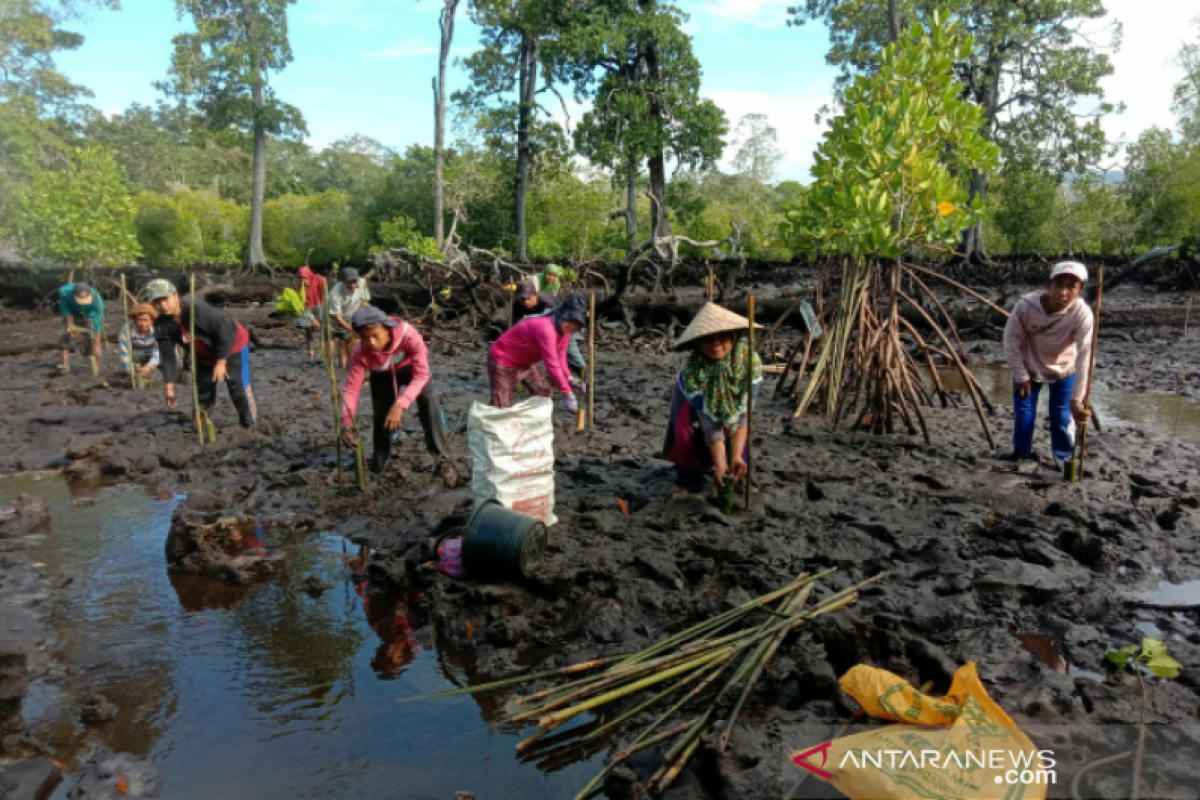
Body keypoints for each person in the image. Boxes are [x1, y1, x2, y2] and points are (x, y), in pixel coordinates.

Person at [662, 303, 762, 497]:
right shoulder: (694, 372)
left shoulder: (749, 363)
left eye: (722, 337)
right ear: (698, 343)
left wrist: (735, 457)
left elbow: (743, 415)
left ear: (733, 336)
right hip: (690, 407)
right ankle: (694, 472)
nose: (715, 344)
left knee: (738, 458)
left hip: (734, 415)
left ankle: (733, 464)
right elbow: (710, 425)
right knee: (689, 445)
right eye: (707, 339)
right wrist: (720, 464)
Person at [1003, 261, 1095, 468]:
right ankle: (1020, 454)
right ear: (1049, 285)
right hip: (1028, 368)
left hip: (1064, 370)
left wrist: (1077, 400)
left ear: (1080, 291)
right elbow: (1011, 340)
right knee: (1024, 415)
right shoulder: (1026, 306)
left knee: (1061, 416)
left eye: (1071, 287)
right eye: (1058, 284)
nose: (1062, 293)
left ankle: (1063, 458)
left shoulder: (1082, 313)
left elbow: (1085, 354)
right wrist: (1020, 376)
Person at [341, 306, 447, 473]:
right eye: (365, 338)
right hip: (382, 374)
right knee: (381, 414)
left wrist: (400, 405)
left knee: (428, 401)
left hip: (411, 369)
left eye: (376, 336)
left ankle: (441, 456)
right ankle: (379, 462)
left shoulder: (409, 335)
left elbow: (421, 375)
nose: (372, 343)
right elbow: (352, 390)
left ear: (387, 329)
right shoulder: (360, 351)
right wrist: (346, 422)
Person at [144, 278, 257, 428]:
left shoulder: (195, 308)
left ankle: (248, 424)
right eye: (157, 302)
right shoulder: (162, 325)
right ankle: (200, 425)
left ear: (175, 295)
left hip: (231, 343)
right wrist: (169, 388)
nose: (162, 305)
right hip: (202, 352)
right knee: (203, 390)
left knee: (235, 386)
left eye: (165, 299)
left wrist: (221, 362)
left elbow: (224, 332)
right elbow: (168, 357)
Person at [488, 292, 587, 411]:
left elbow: (560, 355)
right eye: (570, 323)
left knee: (543, 393)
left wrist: (570, 378)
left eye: (576, 326)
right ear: (562, 317)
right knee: (500, 404)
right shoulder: (546, 329)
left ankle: (531, 423)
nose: (571, 327)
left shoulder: (566, 332)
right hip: (503, 360)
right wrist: (568, 393)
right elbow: (552, 364)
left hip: (525, 363)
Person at [511, 278, 587, 376]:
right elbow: (517, 325)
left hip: (564, 326)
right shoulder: (517, 305)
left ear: (535, 295)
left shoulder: (546, 302)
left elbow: (555, 322)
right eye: (522, 299)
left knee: (571, 353)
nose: (525, 302)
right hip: (541, 331)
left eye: (528, 298)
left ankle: (582, 376)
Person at [327, 267, 371, 369]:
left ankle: (343, 368)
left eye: (354, 282)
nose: (352, 285)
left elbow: (364, 302)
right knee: (331, 344)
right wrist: (352, 331)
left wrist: (373, 317)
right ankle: (330, 368)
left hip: (347, 316)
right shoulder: (335, 293)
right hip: (331, 318)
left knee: (344, 343)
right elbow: (338, 318)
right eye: (349, 282)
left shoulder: (362, 283)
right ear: (343, 281)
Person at [57, 282, 105, 374]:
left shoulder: (97, 299)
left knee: (92, 341)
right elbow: (66, 309)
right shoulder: (64, 292)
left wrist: (97, 344)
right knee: (64, 337)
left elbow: (98, 323)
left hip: (89, 315)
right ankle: (65, 365)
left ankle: (96, 369)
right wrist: (70, 326)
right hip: (72, 313)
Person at [117, 302, 161, 380]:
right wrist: (130, 370)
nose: (142, 324)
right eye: (139, 320)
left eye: (145, 320)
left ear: (151, 321)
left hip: (153, 354)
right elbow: (124, 353)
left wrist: (149, 367)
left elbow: (159, 351)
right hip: (136, 355)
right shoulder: (126, 330)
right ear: (135, 320)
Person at [297, 265, 326, 362]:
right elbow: (301, 303)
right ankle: (310, 351)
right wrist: (311, 318)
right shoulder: (301, 286)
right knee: (308, 330)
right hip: (307, 307)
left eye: (305, 277)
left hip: (318, 304)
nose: (304, 280)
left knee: (321, 327)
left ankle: (323, 351)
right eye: (301, 278)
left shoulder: (318, 279)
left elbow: (323, 289)